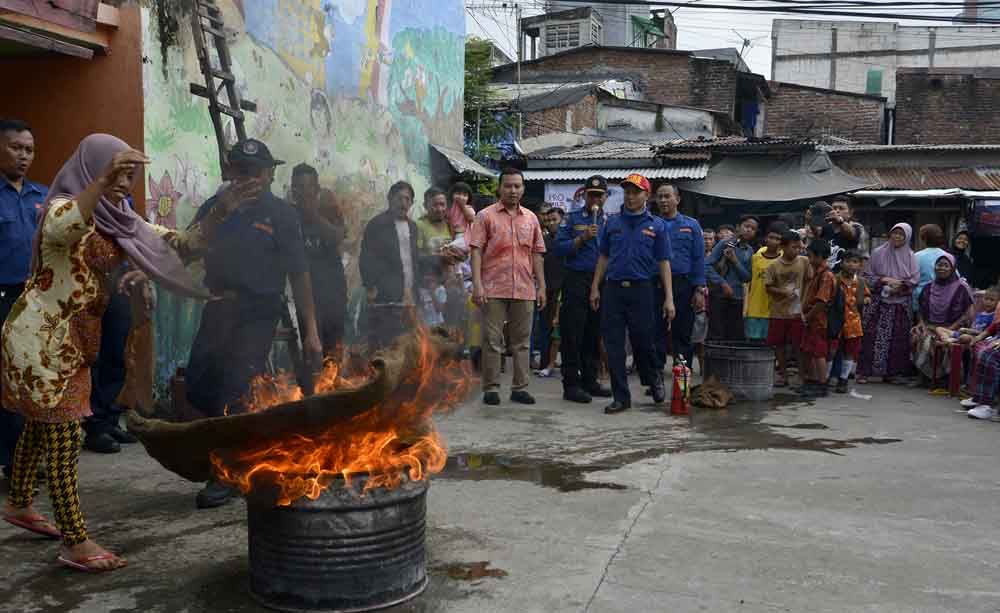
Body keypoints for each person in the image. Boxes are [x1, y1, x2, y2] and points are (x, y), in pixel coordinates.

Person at [2, 134, 209, 572]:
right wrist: (102, 181)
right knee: (65, 435)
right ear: (93, 170)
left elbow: (170, 239)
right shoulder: (59, 208)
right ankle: (75, 540)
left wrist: (221, 217)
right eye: (116, 175)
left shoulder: (120, 218)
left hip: (75, 340)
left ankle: (19, 503)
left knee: (41, 427)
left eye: (128, 178)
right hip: (41, 340)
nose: (122, 186)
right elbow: (71, 222)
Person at [185, 139, 322, 509]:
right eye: (242, 171)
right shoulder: (215, 207)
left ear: (268, 174)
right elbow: (188, 250)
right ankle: (238, 450)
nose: (250, 179)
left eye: (257, 172)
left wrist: (311, 331)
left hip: (258, 312)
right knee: (198, 384)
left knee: (236, 386)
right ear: (230, 172)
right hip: (217, 307)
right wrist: (221, 213)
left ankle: (229, 473)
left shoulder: (281, 214)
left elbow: (300, 273)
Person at [589, 174, 674, 414]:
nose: (630, 196)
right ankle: (621, 397)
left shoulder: (656, 225)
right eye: (627, 191)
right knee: (614, 345)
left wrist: (669, 298)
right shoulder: (612, 223)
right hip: (614, 289)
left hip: (643, 290)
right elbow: (603, 256)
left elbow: (664, 262)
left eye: (636, 192)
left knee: (644, 342)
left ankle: (653, 377)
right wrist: (595, 287)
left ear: (647, 196)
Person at [469, 168, 546, 406]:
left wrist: (541, 286)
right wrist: (477, 285)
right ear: (499, 188)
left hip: (524, 288)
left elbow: (537, 254)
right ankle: (491, 388)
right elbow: (476, 251)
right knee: (492, 340)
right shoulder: (485, 216)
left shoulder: (531, 218)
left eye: (517, 186)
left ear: (523, 188)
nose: (513, 191)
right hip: (492, 287)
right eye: (508, 186)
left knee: (522, 342)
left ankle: (519, 388)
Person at [0, 119, 46, 481]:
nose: (24, 156)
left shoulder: (43, 197)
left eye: (29, 149)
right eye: (16, 147)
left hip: (35, 302)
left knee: (29, 380)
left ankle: (22, 461)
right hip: (2, 298)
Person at [555, 176, 612, 403]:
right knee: (572, 333)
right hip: (576, 280)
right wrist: (582, 238)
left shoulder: (610, 222)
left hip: (601, 282)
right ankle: (571, 384)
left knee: (593, 332)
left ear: (606, 197)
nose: (596, 199)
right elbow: (559, 249)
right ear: (584, 196)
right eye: (592, 195)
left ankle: (590, 379)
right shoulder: (571, 219)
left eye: (600, 195)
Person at [289, 163, 348, 359]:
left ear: (317, 188)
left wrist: (314, 215)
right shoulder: (288, 215)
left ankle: (337, 385)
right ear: (293, 190)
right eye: (300, 187)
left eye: (309, 187)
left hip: (334, 293)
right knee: (313, 351)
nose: (305, 192)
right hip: (307, 297)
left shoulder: (329, 208)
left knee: (334, 350)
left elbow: (337, 236)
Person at [359, 181, 421, 350]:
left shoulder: (413, 227)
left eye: (407, 199)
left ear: (411, 203)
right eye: (399, 198)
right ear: (389, 199)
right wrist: (370, 286)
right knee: (387, 344)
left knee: (408, 343)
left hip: (409, 293)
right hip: (386, 295)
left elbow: (414, 259)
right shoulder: (377, 225)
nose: (403, 203)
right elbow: (366, 258)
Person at [652, 183, 705, 368]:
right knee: (655, 331)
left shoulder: (691, 225)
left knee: (682, 333)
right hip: (655, 284)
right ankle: (656, 378)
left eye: (667, 196)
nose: (663, 200)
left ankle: (682, 378)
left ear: (677, 199)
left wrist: (699, 288)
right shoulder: (651, 224)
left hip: (683, 285)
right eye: (660, 197)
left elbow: (698, 258)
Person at [911, 253, 974, 383]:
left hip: (953, 328)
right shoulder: (928, 287)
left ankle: (947, 379)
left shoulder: (962, 288)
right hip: (930, 326)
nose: (942, 268)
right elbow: (920, 311)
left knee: (944, 341)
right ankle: (926, 378)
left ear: (952, 268)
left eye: (946, 265)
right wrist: (922, 325)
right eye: (939, 265)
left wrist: (949, 329)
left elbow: (967, 314)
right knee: (918, 336)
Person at [764, 230, 811, 387]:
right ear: (783, 247)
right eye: (793, 247)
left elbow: (809, 281)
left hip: (798, 312)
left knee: (799, 345)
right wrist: (782, 292)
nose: (797, 250)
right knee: (779, 345)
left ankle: (802, 375)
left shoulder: (804, 261)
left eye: (799, 247)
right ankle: (783, 374)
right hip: (778, 311)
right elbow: (768, 287)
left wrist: (805, 302)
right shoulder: (774, 266)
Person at [706, 216, 757, 341]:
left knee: (734, 336)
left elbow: (747, 277)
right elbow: (706, 265)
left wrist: (734, 261)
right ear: (738, 227)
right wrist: (722, 283)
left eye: (753, 228)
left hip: (737, 297)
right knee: (717, 334)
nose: (749, 230)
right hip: (719, 295)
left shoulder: (750, 251)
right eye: (746, 226)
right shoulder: (725, 243)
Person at [828, 250, 870, 393]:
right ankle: (826, 378)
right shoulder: (835, 279)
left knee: (849, 352)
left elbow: (867, 297)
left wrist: (864, 300)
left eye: (855, 262)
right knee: (832, 350)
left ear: (860, 265)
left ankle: (843, 380)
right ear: (842, 263)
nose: (851, 265)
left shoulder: (861, 282)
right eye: (848, 261)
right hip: (836, 322)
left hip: (853, 324)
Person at [799, 239, 837, 398]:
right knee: (811, 350)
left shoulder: (826, 275)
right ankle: (813, 382)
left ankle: (822, 384)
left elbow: (822, 301)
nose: (808, 258)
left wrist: (807, 316)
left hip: (820, 320)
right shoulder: (817, 273)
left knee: (819, 352)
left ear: (819, 256)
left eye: (810, 255)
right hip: (813, 318)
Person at [534, 206, 565, 375]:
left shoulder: (567, 240)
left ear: (562, 221)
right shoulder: (543, 241)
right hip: (546, 290)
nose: (551, 223)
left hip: (563, 291)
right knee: (545, 328)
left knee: (562, 330)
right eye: (549, 220)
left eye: (555, 220)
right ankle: (544, 364)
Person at [745, 221, 784, 344]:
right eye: (771, 237)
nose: (773, 241)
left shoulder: (784, 258)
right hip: (755, 308)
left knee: (772, 346)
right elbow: (749, 282)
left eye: (778, 239)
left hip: (774, 311)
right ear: (766, 237)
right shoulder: (756, 256)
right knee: (754, 345)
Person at [913, 224, 949, 313]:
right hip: (943, 301)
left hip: (920, 302)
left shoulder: (916, 257)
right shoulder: (948, 256)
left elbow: (910, 280)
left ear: (923, 238)